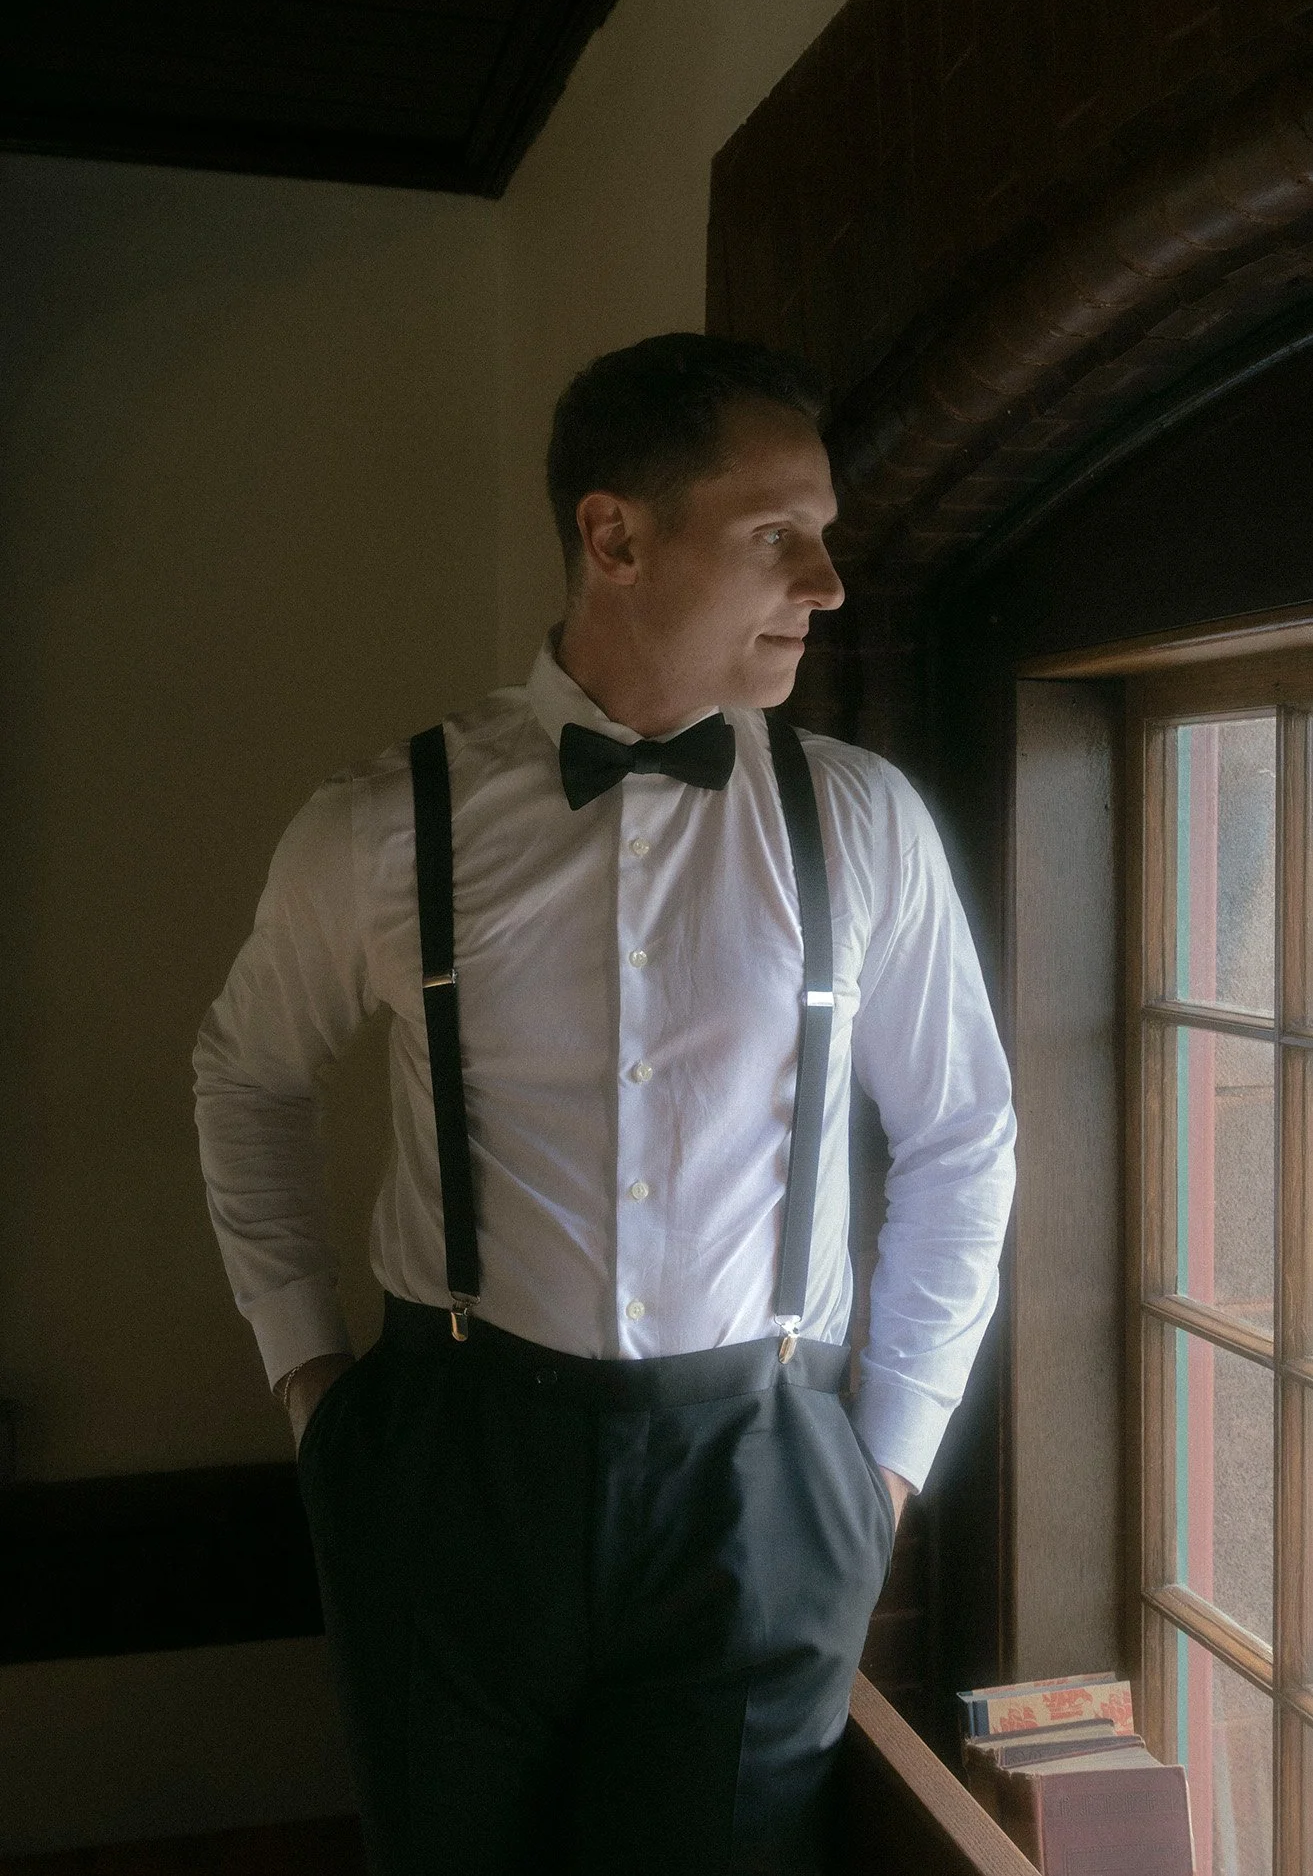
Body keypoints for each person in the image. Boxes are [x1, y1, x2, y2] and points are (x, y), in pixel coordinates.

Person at [194, 332, 1016, 1876]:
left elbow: (964, 1134)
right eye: (777, 535)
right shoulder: (381, 827)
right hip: (449, 1462)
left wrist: (885, 1463)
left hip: (761, 1479)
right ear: (615, 535)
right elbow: (245, 1075)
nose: (828, 583)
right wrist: (311, 1384)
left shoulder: (863, 823)